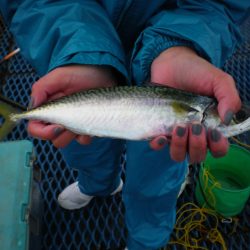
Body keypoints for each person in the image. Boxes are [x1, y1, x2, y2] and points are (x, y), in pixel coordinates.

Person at [1, 1, 249, 249]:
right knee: (85, 149)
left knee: (155, 180)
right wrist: (79, 53)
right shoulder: (197, 110)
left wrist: (180, 48)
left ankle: (145, 242)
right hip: (81, 57)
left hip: (162, 61)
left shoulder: (195, 107)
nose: (235, 122)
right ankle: (98, 185)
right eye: (238, 117)